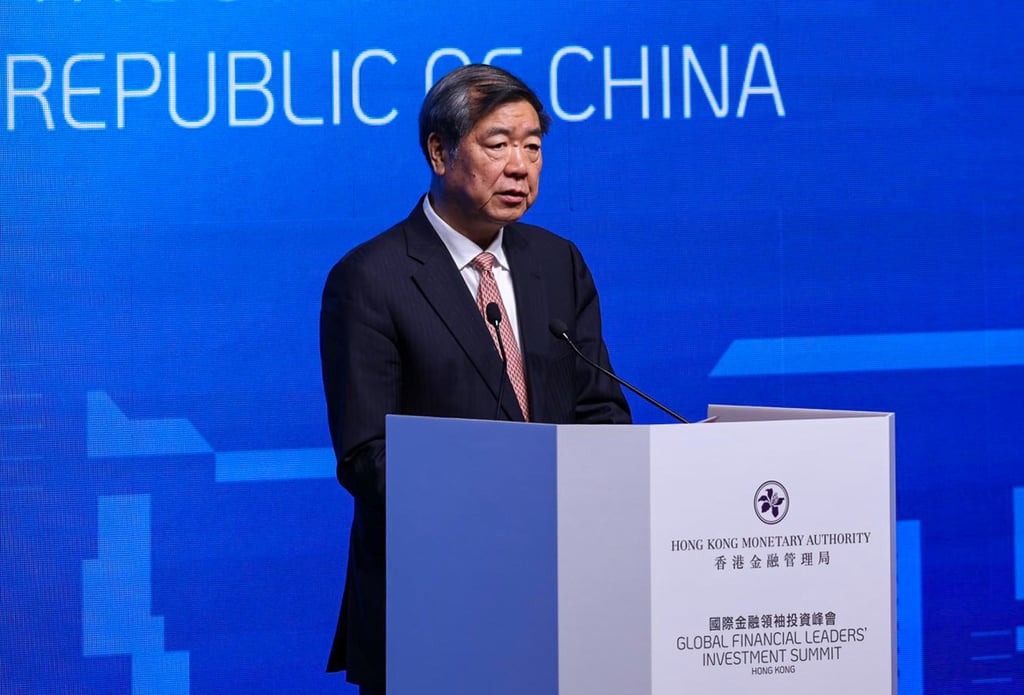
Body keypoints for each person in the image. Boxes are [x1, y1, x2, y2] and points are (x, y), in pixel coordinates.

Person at [319, 64, 631, 694]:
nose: (520, 166)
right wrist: (505, 497)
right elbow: (367, 456)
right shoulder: (372, 279)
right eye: (498, 144)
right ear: (439, 152)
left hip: (559, 591)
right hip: (433, 602)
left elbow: (600, 410)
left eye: (533, 147)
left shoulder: (558, 262)